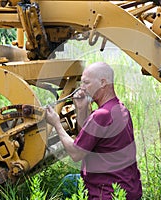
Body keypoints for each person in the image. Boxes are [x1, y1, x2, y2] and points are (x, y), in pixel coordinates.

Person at [46, 62, 142, 199]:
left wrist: (56, 124)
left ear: (102, 83)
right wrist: (81, 109)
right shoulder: (119, 109)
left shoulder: (101, 115)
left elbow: (76, 153)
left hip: (108, 193)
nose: (82, 88)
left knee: (64, 187)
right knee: (69, 181)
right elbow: (87, 138)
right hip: (129, 189)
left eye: (86, 83)